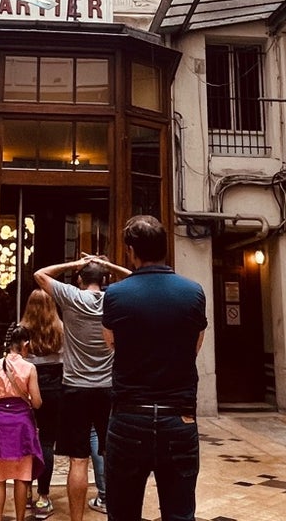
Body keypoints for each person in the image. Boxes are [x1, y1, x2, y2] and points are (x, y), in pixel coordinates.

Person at [101, 216, 208, 521]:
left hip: (129, 417)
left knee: (123, 513)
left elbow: (113, 345)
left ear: (132, 250)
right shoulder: (193, 292)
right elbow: (194, 348)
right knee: (179, 514)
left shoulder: (116, 295)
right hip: (179, 416)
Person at [34, 254, 129, 521]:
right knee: (112, 454)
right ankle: (114, 509)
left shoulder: (71, 296)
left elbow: (41, 274)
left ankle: (76, 519)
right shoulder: (116, 298)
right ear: (106, 279)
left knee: (78, 460)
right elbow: (138, 281)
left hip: (75, 387)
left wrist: (73, 265)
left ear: (79, 279)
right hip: (108, 387)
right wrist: (108, 265)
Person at [0, 322, 44, 521]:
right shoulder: (29, 368)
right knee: (21, 478)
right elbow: (38, 402)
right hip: (22, 426)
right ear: (25, 344)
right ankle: (19, 518)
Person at [21, 289, 63, 519]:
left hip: (26, 387)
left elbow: (12, 359)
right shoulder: (60, 329)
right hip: (54, 387)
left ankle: (25, 490)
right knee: (47, 442)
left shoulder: (20, 330)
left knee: (27, 440)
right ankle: (43, 496)